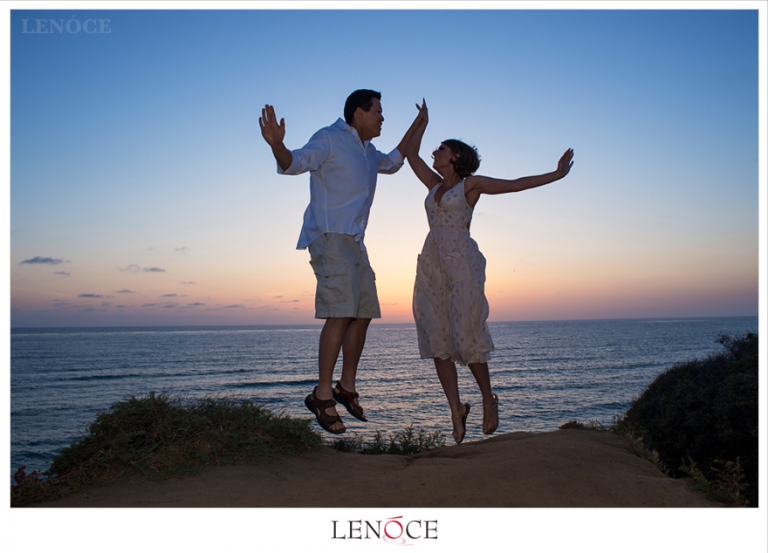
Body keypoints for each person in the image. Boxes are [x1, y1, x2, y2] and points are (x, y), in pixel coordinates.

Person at [404, 100, 574, 444]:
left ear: (456, 157)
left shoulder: (470, 185)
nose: (435, 152)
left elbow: (515, 184)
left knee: (467, 334)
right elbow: (409, 153)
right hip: (432, 264)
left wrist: (556, 174)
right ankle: (455, 409)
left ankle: (486, 398)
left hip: (460, 262)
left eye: (442, 149)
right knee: (437, 337)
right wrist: (421, 122)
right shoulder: (433, 185)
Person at [259, 90, 423, 434]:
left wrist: (418, 125)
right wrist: (276, 145)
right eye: (378, 111)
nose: (382, 118)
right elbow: (293, 163)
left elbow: (395, 161)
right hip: (330, 237)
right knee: (341, 312)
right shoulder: (330, 138)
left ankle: (345, 387)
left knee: (363, 313)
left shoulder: (368, 152)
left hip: (356, 243)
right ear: (359, 113)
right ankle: (321, 394)